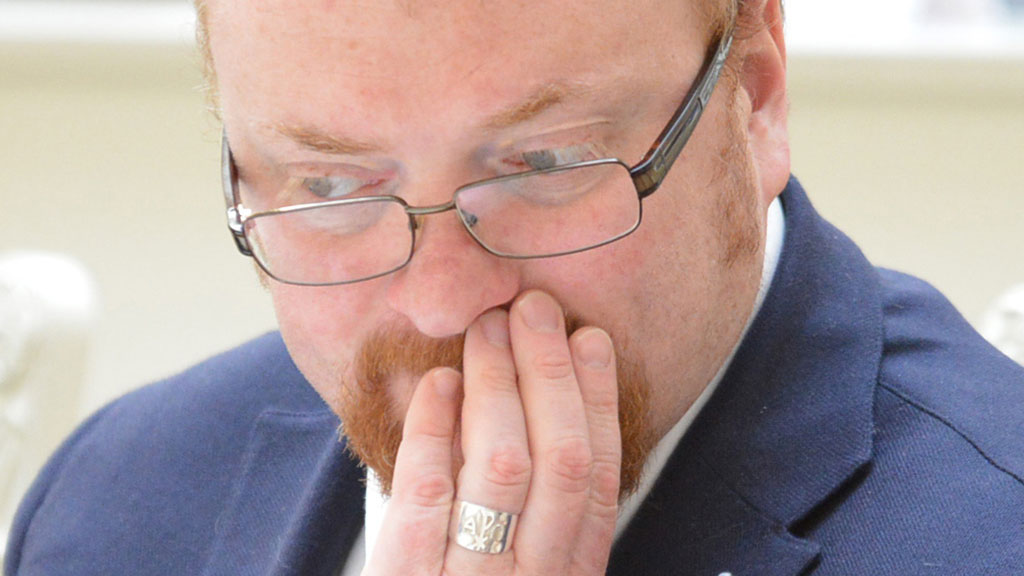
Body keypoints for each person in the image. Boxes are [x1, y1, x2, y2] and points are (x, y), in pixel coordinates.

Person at [5, 0, 1024, 574]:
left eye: (543, 165)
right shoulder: (107, 501)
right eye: (330, 186)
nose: (443, 304)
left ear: (753, 98)